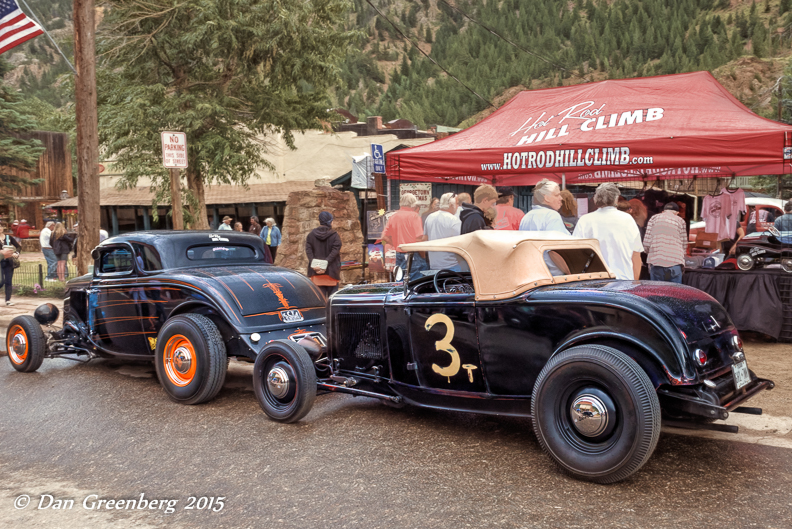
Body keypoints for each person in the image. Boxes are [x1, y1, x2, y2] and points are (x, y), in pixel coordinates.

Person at [573, 182, 643, 281]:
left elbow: (575, 253)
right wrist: (634, 282)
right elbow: (636, 254)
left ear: (596, 198)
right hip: (624, 279)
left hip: (594, 280)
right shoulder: (628, 219)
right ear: (616, 199)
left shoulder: (585, 220)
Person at [518, 179, 569, 275]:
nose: (561, 198)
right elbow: (554, 251)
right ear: (546, 198)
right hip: (554, 277)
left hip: (534, 274)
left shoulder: (526, 217)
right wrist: (569, 272)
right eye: (557, 195)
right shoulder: (552, 215)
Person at [382, 193, 427, 279]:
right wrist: (423, 256)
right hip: (413, 254)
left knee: (401, 281)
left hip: (399, 254)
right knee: (417, 283)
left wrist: (396, 245)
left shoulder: (393, 217)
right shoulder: (414, 216)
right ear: (413, 204)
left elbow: (384, 236)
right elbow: (418, 239)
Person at [643, 202, 687, 283]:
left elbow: (646, 243)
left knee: (657, 292)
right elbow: (684, 245)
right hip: (675, 263)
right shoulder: (680, 221)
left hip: (657, 261)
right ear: (677, 213)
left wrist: (651, 253)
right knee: (675, 293)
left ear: (663, 211)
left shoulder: (654, 218)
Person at [306, 211, 342, 299]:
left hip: (316, 273)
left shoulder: (311, 235)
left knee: (319, 301)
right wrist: (325, 264)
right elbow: (335, 251)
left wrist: (316, 265)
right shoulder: (335, 235)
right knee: (332, 301)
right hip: (331, 273)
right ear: (330, 221)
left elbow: (308, 251)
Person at [424, 193, 462, 271]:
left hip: (433, 265)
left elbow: (425, 238)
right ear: (451, 205)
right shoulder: (454, 220)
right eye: (457, 204)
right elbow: (459, 243)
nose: (458, 206)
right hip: (451, 265)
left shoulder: (430, 217)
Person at [0, 224, 20, 305]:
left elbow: (18, 246)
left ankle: (8, 300)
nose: (0, 228)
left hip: (8, 261)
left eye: (0, 226)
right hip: (0, 262)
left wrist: (16, 253)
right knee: (1, 281)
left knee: (8, 281)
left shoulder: (8, 237)